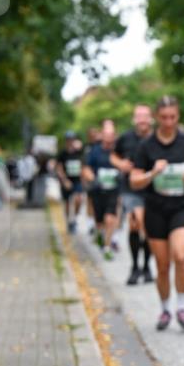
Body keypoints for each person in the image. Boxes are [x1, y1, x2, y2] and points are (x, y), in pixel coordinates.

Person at [130, 96, 184, 331]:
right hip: (156, 208)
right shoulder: (146, 146)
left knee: (180, 256)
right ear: (156, 117)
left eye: (173, 117)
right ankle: (165, 309)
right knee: (162, 265)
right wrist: (152, 173)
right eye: (164, 117)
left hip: (182, 206)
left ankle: (182, 306)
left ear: (178, 116)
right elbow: (134, 181)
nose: (169, 122)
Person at [113, 104, 155, 284]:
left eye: (145, 116)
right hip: (130, 188)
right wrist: (120, 164)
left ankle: (145, 266)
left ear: (151, 118)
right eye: (139, 116)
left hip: (153, 190)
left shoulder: (157, 139)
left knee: (147, 227)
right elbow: (113, 156)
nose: (142, 120)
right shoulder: (125, 138)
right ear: (134, 119)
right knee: (135, 223)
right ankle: (134, 266)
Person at [82, 121, 120, 260]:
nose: (109, 137)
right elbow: (86, 168)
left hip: (113, 190)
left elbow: (127, 165)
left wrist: (121, 174)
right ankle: (99, 234)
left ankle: (107, 246)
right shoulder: (94, 151)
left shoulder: (118, 151)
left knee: (110, 218)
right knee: (100, 221)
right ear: (102, 135)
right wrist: (93, 179)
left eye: (112, 134)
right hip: (98, 190)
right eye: (106, 134)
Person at [56, 131, 86, 233]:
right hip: (67, 180)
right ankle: (69, 221)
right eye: (69, 140)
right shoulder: (63, 154)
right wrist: (64, 180)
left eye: (72, 139)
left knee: (79, 199)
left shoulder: (79, 152)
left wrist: (83, 179)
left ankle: (75, 219)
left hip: (77, 180)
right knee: (68, 203)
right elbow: (59, 169)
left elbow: (83, 165)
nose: (71, 142)